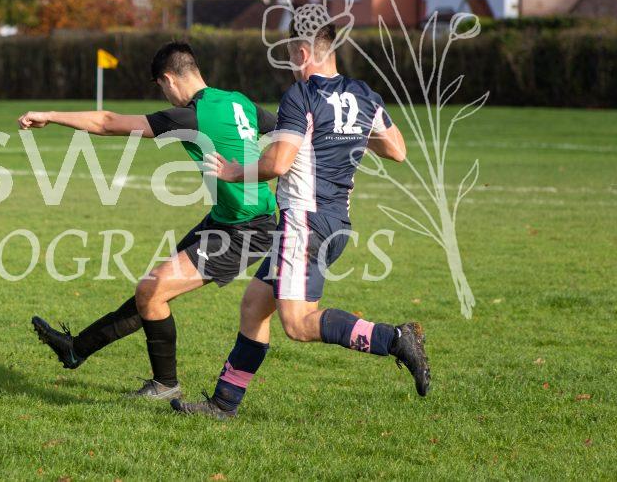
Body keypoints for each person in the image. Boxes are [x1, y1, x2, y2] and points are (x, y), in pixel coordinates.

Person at [170, 24, 430, 419]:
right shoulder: (364, 94)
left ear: (304, 54)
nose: (290, 64)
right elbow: (397, 149)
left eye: (290, 55)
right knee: (255, 306)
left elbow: (278, 163)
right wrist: (346, 133)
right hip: (334, 221)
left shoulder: (301, 95)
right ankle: (223, 403)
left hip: (304, 223)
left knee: (297, 323)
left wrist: (235, 171)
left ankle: (393, 338)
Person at [18, 41, 278, 400]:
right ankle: (75, 349)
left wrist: (50, 115)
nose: (165, 96)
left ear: (168, 79)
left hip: (246, 231)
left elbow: (107, 123)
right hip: (225, 220)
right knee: (151, 293)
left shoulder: (191, 116)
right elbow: (287, 131)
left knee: (152, 292)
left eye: (161, 88)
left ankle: (165, 385)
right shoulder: (239, 101)